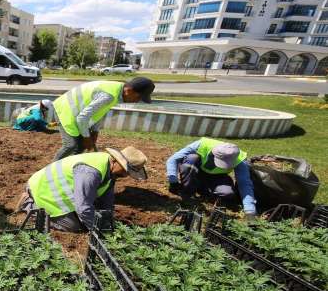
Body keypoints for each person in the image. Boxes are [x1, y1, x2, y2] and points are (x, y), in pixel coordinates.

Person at [20, 146, 148, 232]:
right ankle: (30, 205)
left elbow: (106, 200)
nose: (126, 175)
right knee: (73, 226)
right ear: (115, 160)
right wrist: (99, 229)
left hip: (63, 192)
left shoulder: (110, 170)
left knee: (89, 216)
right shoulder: (90, 172)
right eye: (126, 170)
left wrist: (108, 220)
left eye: (129, 172)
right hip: (44, 191)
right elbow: (83, 207)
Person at [52, 77, 155, 161]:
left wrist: (95, 132)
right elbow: (82, 118)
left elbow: (98, 112)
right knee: (70, 145)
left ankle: (68, 166)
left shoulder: (117, 90)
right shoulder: (109, 96)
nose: (136, 102)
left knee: (80, 146)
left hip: (77, 111)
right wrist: (87, 138)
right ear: (129, 91)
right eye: (138, 98)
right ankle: (50, 170)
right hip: (66, 109)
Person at [166, 137, 256, 219]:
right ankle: (187, 191)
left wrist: (250, 211)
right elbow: (173, 159)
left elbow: (244, 183)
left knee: (227, 193)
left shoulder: (240, 159)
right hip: (197, 172)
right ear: (215, 153)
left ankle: (202, 189)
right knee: (191, 159)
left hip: (218, 178)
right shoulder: (202, 144)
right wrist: (173, 181)